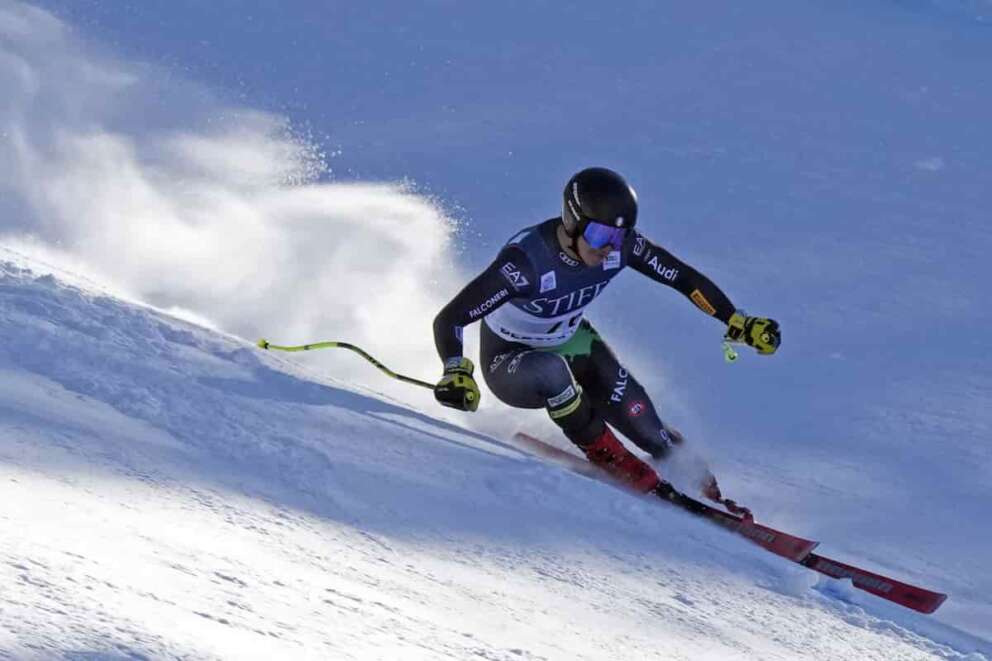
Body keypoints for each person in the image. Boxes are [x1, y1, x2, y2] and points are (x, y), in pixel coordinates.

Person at [431, 167, 780, 505]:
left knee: (647, 425)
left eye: (619, 237)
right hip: (511, 359)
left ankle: (708, 495)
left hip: (571, 341)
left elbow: (682, 278)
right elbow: (452, 318)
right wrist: (456, 369)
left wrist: (737, 320)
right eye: (600, 236)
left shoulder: (622, 250)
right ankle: (608, 454)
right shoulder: (525, 264)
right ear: (572, 223)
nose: (609, 249)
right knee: (552, 371)